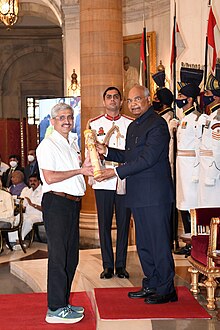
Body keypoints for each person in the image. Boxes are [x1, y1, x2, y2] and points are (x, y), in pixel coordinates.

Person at [96, 85, 176, 304]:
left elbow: (147, 159)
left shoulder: (157, 125)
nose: (133, 104)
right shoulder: (134, 127)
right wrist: (108, 151)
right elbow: (130, 155)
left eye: (137, 99)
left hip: (155, 195)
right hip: (138, 194)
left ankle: (166, 288)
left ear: (148, 100)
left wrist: (115, 172)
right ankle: (151, 283)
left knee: (158, 242)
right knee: (143, 243)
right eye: (130, 101)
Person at [36, 102, 93, 324]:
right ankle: (55, 308)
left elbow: (75, 174)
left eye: (69, 116)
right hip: (56, 203)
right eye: (61, 117)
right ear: (52, 121)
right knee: (59, 257)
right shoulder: (47, 146)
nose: (66, 120)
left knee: (71, 257)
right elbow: (49, 177)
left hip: (71, 204)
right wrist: (80, 169)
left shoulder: (70, 143)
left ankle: (64, 303)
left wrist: (85, 165)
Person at [87, 86, 133, 279]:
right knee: (104, 223)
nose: (112, 100)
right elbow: (90, 151)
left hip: (124, 177)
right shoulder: (94, 123)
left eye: (116, 97)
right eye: (109, 97)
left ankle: (121, 265)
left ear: (121, 101)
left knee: (124, 223)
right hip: (103, 180)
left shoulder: (131, 123)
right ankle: (107, 265)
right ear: (104, 101)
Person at [170, 67, 202, 256]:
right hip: (182, 166)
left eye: (182, 95)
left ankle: (194, 242)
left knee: (191, 205)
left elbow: (199, 146)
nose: (179, 98)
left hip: (192, 167)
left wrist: (198, 172)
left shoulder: (197, 119)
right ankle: (189, 240)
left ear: (190, 99)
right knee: (182, 203)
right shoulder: (183, 119)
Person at [197, 72, 220, 207]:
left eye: (207, 93)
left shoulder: (217, 119)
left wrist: (211, 175)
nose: (204, 97)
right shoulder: (211, 116)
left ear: (216, 97)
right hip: (205, 169)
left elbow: (217, 150)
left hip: (212, 172)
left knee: (211, 208)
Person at [8, 173, 43, 250]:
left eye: (34, 181)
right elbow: (24, 206)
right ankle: (11, 241)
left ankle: (20, 240)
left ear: (39, 182)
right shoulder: (28, 191)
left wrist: (32, 204)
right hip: (27, 213)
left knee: (28, 220)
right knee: (15, 218)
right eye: (30, 181)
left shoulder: (43, 192)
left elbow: (45, 208)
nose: (32, 182)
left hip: (38, 215)